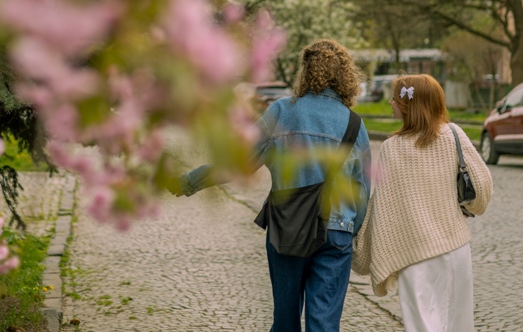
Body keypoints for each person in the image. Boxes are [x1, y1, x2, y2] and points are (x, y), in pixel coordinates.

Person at [173, 39, 372, 332]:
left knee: (285, 320)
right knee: (325, 323)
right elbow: (363, 190)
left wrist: (191, 181)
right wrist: (347, 232)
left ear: (305, 72)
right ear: (345, 76)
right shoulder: (354, 123)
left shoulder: (282, 112)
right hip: (336, 231)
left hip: (288, 227)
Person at [352, 73, 493, 332]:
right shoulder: (454, 134)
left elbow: (383, 207)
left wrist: (362, 248)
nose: (390, 103)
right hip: (456, 248)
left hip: (415, 255)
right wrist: (465, 206)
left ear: (408, 104)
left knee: (422, 326)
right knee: (459, 324)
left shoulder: (392, 148)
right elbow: (482, 187)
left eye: (394, 98)